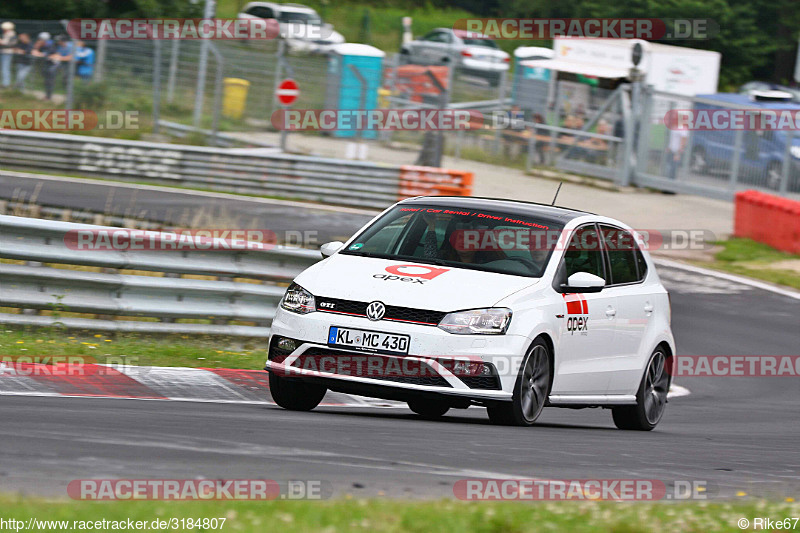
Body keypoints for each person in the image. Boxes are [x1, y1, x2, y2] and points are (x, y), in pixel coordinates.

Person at [0, 21, 17, 88]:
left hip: (7, 53)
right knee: (4, 68)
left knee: (5, 68)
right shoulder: (7, 34)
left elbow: (5, 43)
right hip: (4, 52)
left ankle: (6, 83)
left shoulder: (11, 34)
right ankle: (5, 83)